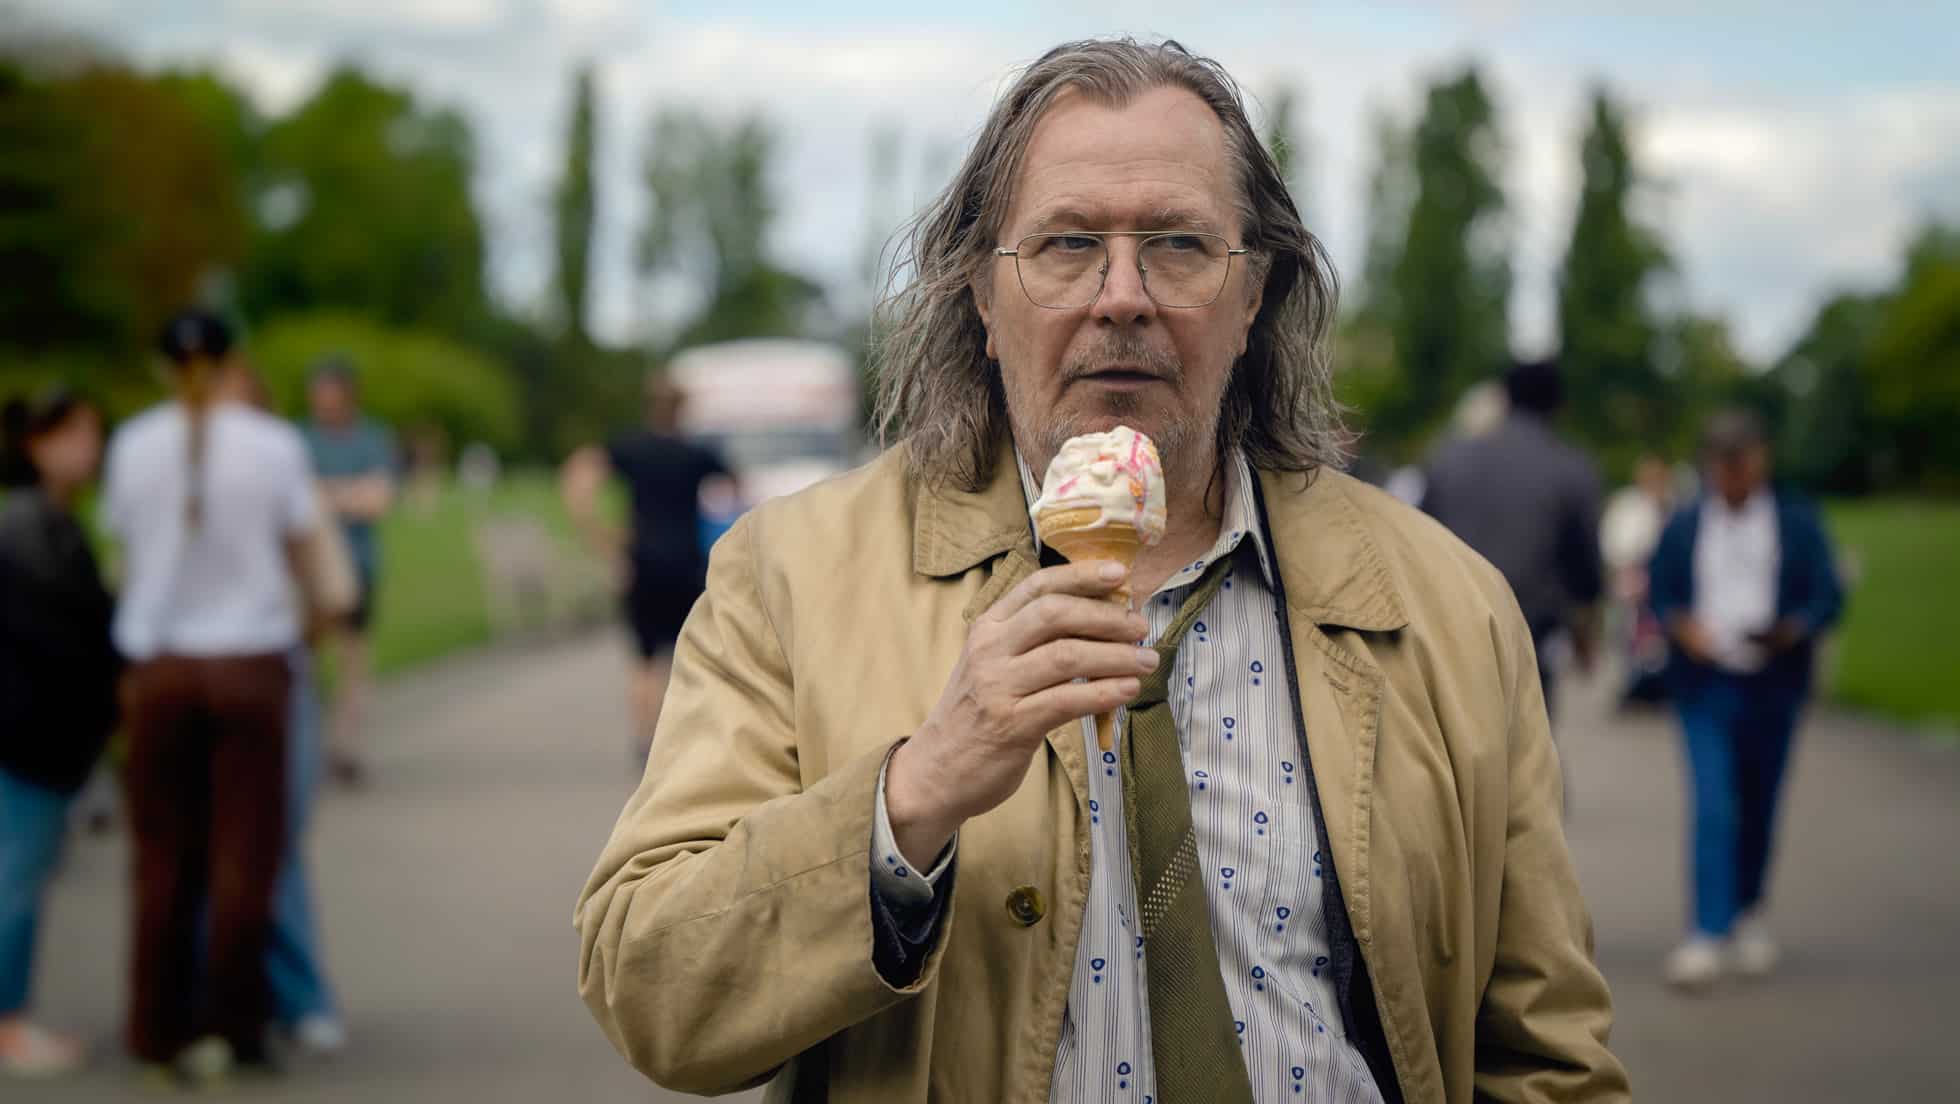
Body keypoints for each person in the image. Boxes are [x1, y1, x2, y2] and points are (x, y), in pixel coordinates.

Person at [576, 38, 1627, 1103]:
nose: (1121, 296)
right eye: (1068, 244)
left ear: (1252, 292)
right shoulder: (790, 576)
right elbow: (651, 987)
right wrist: (911, 798)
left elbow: (1547, 1056)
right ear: (983, 298)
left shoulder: (1448, 604)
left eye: (1177, 245)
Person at [103, 311, 322, 1085]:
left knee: (163, 857)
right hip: (250, 662)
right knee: (245, 854)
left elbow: (129, 553)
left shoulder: (132, 445)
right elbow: (301, 551)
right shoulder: (272, 445)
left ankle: (159, 1027)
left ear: (165, 366)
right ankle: (237, 1019)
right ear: (234, 360)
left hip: (162, 666)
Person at [1648, 409, 1842, 991]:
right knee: (1713, 803)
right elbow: (1659, 592)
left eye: (1743, 461)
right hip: (1706, 684)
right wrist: (1681, 627)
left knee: (1759, 802)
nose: (1733, 475)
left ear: (1761, 459)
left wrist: (1793, 628)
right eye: (1723, 464)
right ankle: (1707, 931)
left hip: (1773, 683)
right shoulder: (1684, 523)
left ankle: (1748, 909)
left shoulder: (1797, 521)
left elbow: (1826, 596)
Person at [0, 388, 118, 1078]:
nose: (91, 449)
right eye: (77, 433)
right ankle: (8, 1021)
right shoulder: (28, 531)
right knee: (17, 878)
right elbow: (67, 638)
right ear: (38, 442)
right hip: (30, 740)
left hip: (43, 740)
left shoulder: (47, 523)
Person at [1421, 357, 1604, 718]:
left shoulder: (1448, 458)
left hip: (1449, 631)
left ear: (1504, 397)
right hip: (1528, 636)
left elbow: (1416, 541)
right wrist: (1585, 631)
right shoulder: (1570, 468)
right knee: (1524, 752)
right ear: (1559, 405)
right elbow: (1584, 567)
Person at [560, 375, 729, 763]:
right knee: (692, 657)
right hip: (687, 565)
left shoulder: (629, 448)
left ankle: (644, 742)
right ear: (683, 409)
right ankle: (686, 740)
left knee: (643, 659)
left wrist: (602, 538)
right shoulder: (697, 454)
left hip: (642, 564)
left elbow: (578, 480)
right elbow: (737, 490)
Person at [300, 358, 396, 788]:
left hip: (357, 565)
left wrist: (325, 496)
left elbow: (377, 500)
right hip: (308, 569)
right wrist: (346, 495)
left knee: (352, 659)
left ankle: (346, 747)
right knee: (305, 660)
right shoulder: (300, 438)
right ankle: (308, 743)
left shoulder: (372, 438)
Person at [1600, 454, 1675, 705]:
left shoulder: (1670, 504)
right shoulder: (1628, 505)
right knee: (1627, 634)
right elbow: (1617, 545)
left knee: (1652, 637)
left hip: (1657, 580)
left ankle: (1652, 684)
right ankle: (1632, 684)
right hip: (1630, 577)